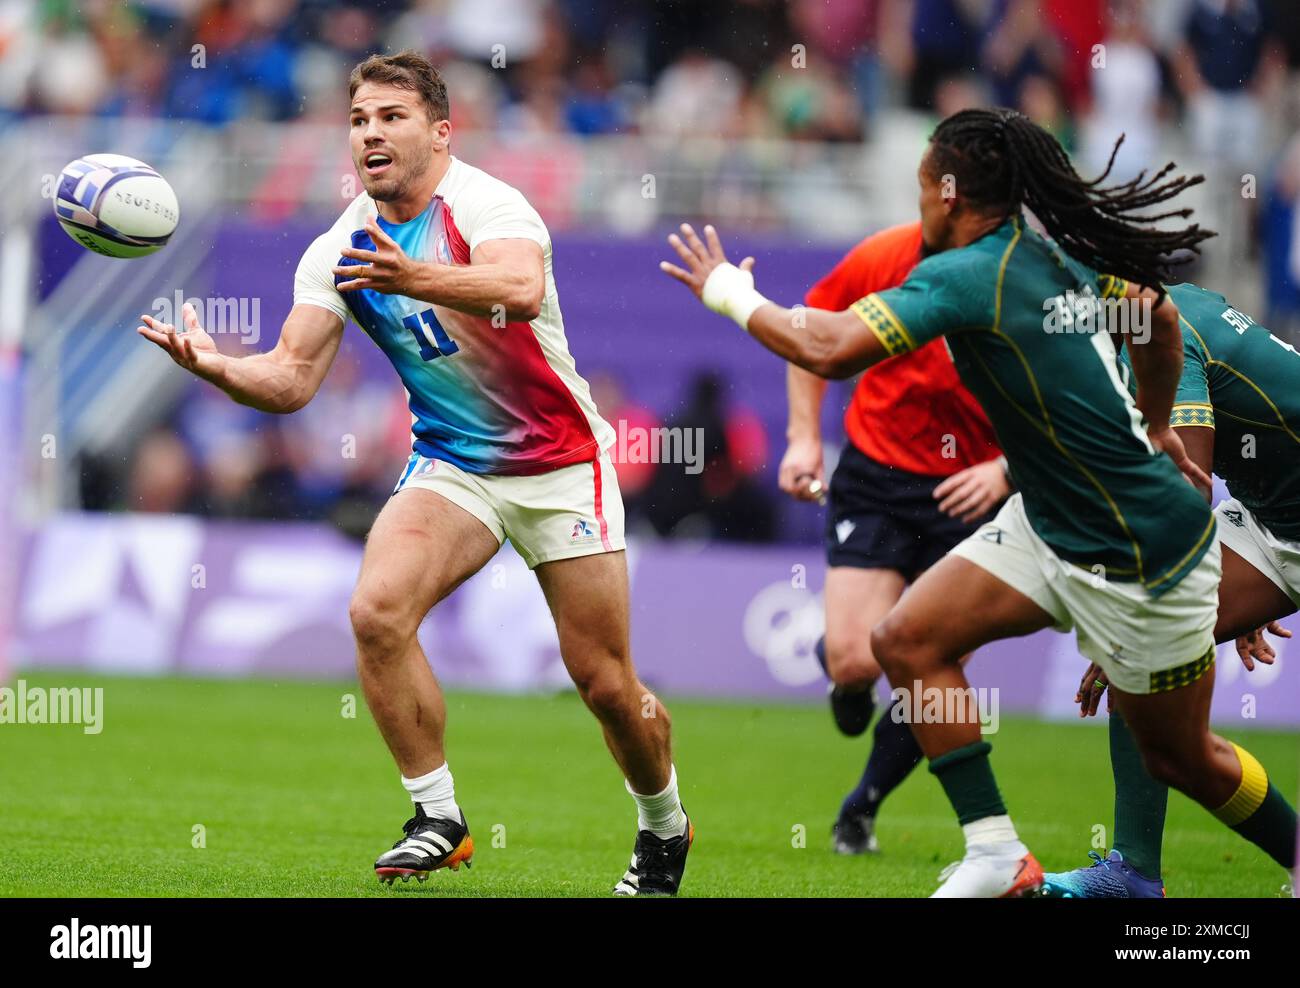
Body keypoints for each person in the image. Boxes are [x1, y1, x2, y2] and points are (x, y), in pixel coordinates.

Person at [660, 107, 1297, 897]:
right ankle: (996, 854)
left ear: (951, 196)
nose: (919, 203)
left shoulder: (967, 275)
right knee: (906, 641)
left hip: (1137, 550)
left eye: (923, 187)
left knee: (1180, 757)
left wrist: (726, 289)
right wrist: (1158, 424)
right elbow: (1158, 315)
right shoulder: (1060, 253)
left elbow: (827, 346)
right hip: (1049, 520)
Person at [137, 50, 692, 897]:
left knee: (606, 684)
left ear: (439, 131)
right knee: (375, 611)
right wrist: (215, 365)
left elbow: (520, 282)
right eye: (358, 119)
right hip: (454, 465)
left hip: (558, 465)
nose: (370, 133)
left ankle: (664, 826)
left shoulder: (486, 201)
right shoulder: (336, 248)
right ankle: (439, 816)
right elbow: (290, 379)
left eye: (390, 116)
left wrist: (415, 274)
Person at [1043, 279, 1300, 897]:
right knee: (1135, 651)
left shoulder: (1158, 325)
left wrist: (1175, 597)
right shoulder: (1147, 308)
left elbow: (1188, 490)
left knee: (1136, 634)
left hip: (1279, 517)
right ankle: (1131, 873)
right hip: (1275, 517)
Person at [779, 220, 1008, 854]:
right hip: (878, 476)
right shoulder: (888, 253)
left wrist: (1007, 469)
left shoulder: (1024, 273)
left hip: (975, 487)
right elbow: (807, 324)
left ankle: (862, 807)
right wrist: (803, 435)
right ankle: (844, 676)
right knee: (858, 658)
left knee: (934, 668)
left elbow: (1069, 385)